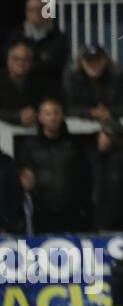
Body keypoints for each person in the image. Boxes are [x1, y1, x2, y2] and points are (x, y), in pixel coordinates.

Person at [15, 99, 91, 233]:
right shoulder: (29, 146)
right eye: (47, 113)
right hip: (40, 213)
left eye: (56, 113)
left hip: (71, 212)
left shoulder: (74, 145)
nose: (52, 117)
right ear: (40, 117)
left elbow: (85, 176)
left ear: (62, 116)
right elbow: (23, 176)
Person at [4, 0, 67, 98]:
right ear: (26, 12)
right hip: (20, 88)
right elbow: (8, 62)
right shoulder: (15, 36)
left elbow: (56, 64)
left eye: (39, 9)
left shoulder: (58, 37)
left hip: (50, 88)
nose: (35, 13)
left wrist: (25, 63)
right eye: (31, 10)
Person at [91, 120, 123, 232]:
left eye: (105, 136)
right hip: (108, 220)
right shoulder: (102, 159)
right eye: (101, 136)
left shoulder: (122, 160)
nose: (101, 140)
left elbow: (117, 194)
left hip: (115, 223)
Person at [63, 43, 123, 121]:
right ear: (81, 63)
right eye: (89, 60)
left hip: (111, 124)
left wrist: (109, 112)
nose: (94, 64)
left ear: (105, 61)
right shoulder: (73, 79)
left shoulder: (115, 77)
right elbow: (67, 106)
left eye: (98, 60)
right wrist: (90, 112)